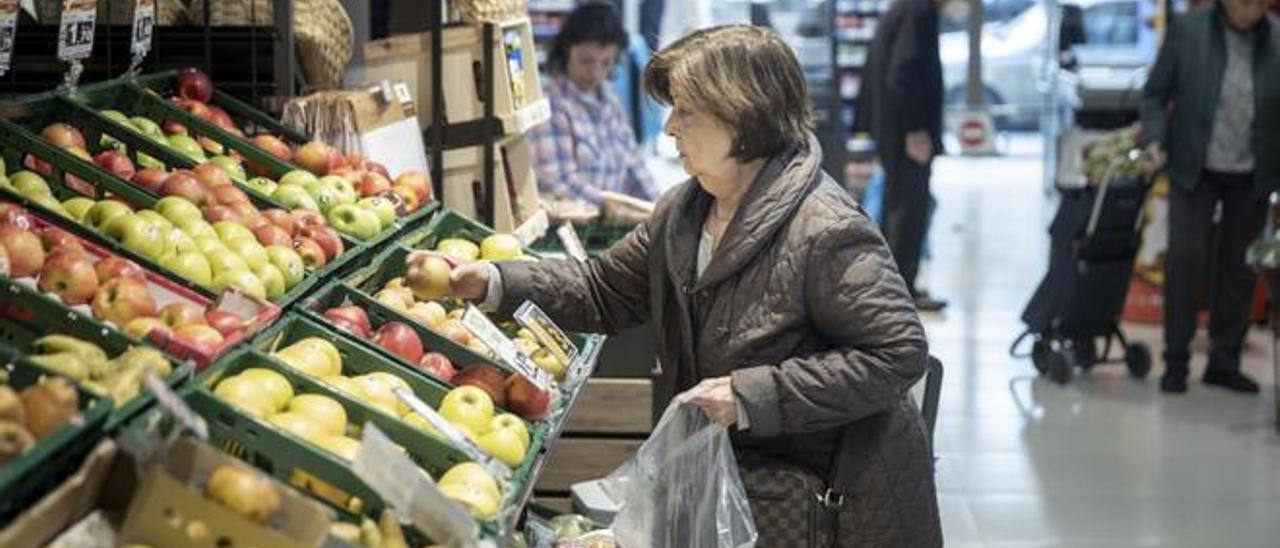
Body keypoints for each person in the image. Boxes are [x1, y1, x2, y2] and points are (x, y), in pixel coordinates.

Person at [412, 25, 942, 547]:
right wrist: (492, 280)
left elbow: (897, 352)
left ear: (743, 115)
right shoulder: (685, 211)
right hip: (738, 492)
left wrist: (750, 393)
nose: (669, 127)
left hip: (829, 507)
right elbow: (602, 289)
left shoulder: (825, 228)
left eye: (686, 111)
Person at [1141, 0, 1280, 394]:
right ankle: (1176, 360)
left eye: (1258, 2)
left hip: (1252, 172)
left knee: (1238, 268)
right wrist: (1155, 138)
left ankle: (1225, 360)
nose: (1249, 9)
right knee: (1187, 260)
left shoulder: (1277, 38)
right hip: (1193, 167)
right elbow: (1154, 95)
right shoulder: (1188, 31)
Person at [856, 0, 947, 312]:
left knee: (897, 207)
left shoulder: (903, 8)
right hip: (905, 133)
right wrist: (916, 130)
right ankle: (902, 290)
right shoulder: (919, 12)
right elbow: (903, 73)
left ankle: (891, 288)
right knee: (909, 211)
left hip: (890, 129)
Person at [530, 1, 659, 204]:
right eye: (586, 61)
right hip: (576, 223)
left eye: (606, 63)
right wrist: (616, 207)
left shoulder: (608, 98)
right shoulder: (551, 104)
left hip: (617, 219)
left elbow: (634, 165)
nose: (596, 73)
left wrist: (660, 210)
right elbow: (557, 182)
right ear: (567, 50)